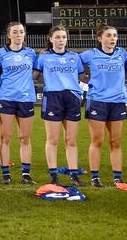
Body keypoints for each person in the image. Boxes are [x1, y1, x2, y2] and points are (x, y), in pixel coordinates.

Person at [34, 25, 85, 186]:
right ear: (50, 39)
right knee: (53, 139)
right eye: (57, 37)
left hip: (71, 98)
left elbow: (83, 77)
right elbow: (34, 76)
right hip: (53, 98)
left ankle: (74, 175)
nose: (61, 40)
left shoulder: (74, 57)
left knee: (71, 140)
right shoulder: (43, 57)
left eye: (63, 37)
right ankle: (53, 174)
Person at [80, 24, 127, 187]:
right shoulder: (90, 55)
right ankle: (95, 177)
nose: (112, 39)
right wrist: (83, 79)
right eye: (108, 35)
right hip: (97, 101)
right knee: (98, 141)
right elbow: (71, 63)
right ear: (99, 38)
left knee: (116, 142)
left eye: (114, 35)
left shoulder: (122, 54)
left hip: (117, 102)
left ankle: (117, 178)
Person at [0, 22, 37, 185]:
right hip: (6, 98)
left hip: (26, 99)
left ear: (24, 34)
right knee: (6, 137)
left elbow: (36, 73)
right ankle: (6, 174)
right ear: (9, 35)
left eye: (21, 32)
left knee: (25, 138)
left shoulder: (31, 53)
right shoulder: (0, 53)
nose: (18, 34)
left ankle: (26, 174)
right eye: (15, 32)